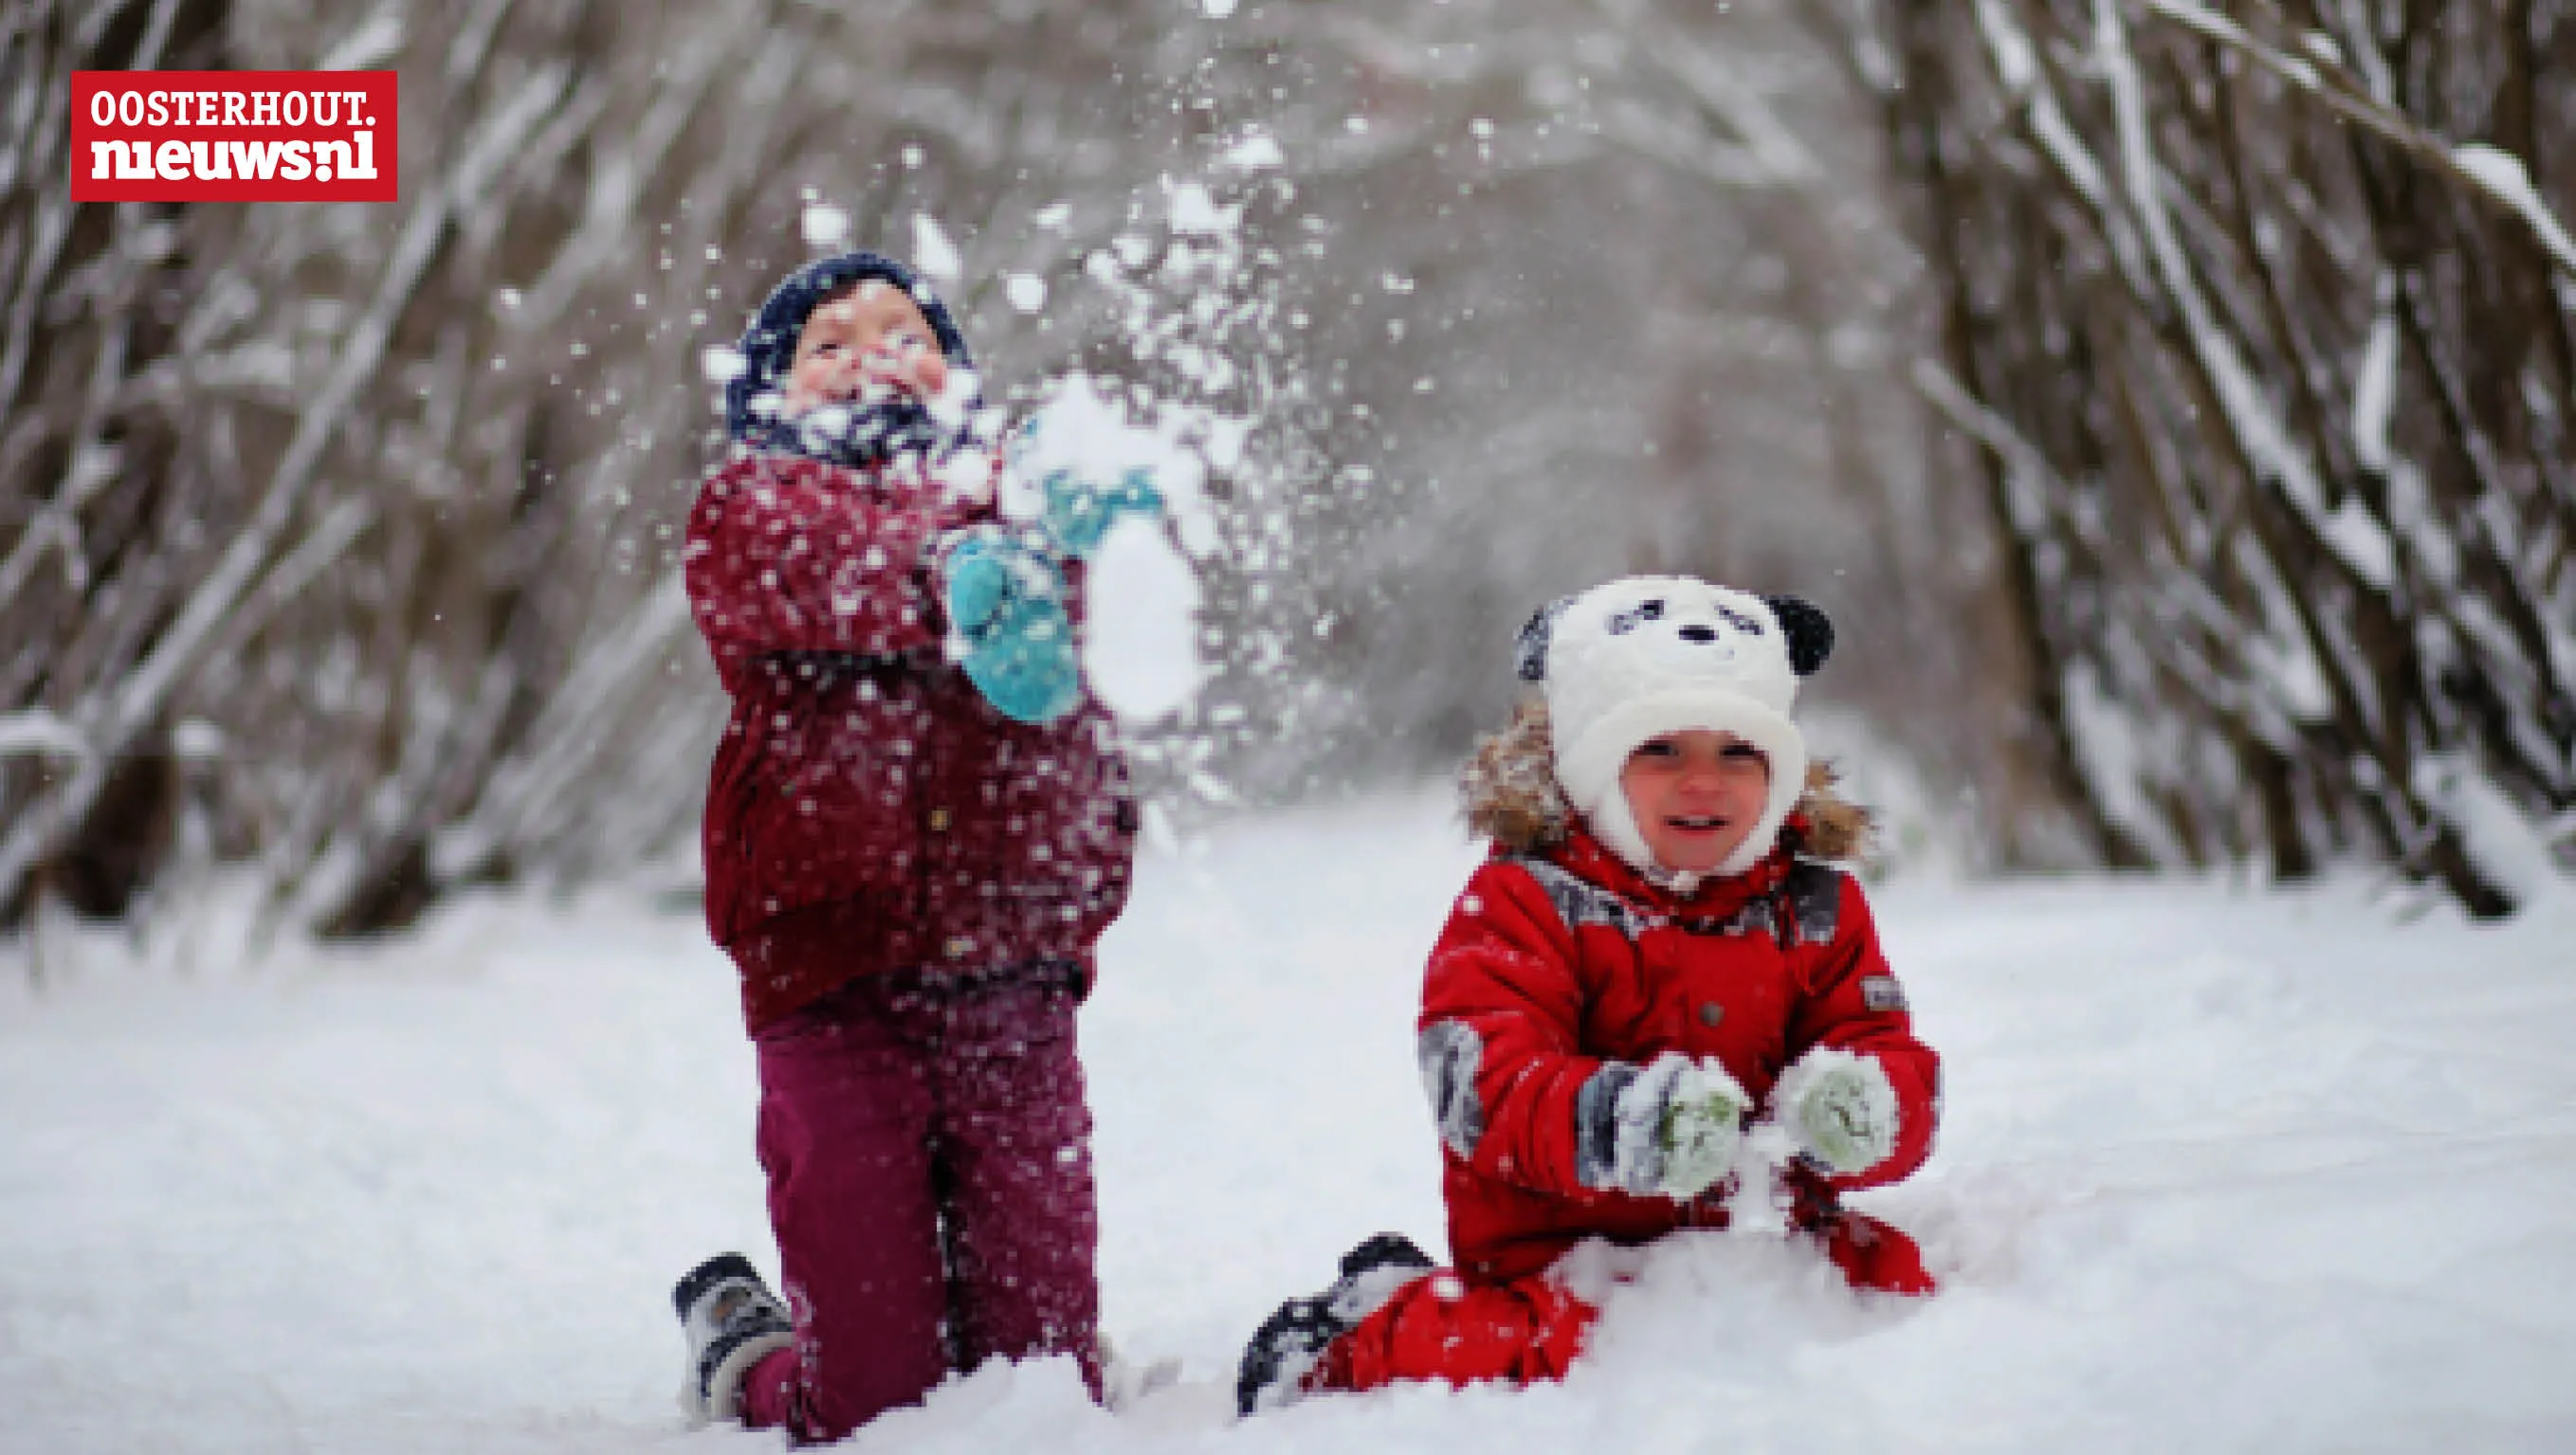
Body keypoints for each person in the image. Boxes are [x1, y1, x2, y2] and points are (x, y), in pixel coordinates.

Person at [1235, 574, 1941, 1414]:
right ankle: (1352, 1334)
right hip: (1566, 1254)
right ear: (1592, 767)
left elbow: (1879, 1037)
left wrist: (1866, 1106)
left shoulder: (1814, 906)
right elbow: (1481, 1079)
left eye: (1736, 753)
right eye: (1662, 751)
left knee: (1890, 1282)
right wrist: (1619, 1124)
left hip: (1758, 1239)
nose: (1703, 782)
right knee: (1550, 1348)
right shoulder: (1525, 901)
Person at [668, 248, 1142, 1442]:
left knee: (1045, 1387)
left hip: (1012, 978)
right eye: (827, 344)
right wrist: (960, 562)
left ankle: (1038, 1325)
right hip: (835, 980)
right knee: (870, 1400)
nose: (871, 349)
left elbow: (1088, 643)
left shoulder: (1020, 487)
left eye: (903, 329)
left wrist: (1074, 522)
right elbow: (819, 566)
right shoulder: (754, 501)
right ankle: (752, 1349)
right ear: (771, 398)